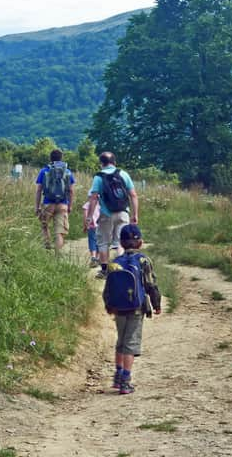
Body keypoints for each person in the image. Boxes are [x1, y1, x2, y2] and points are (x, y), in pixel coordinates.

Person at [105, 224, 161, 394]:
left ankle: (117, 375)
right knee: (130, 344)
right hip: (136, 308)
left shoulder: (114, 263)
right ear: (140, 243)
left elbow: (108, 288)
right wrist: (156, 305)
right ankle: (126, 381)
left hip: (118, 308)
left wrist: (109, 305)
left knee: (121, 341)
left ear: (121, 243)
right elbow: (151, 285)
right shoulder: (144, 261)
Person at [87, 151, 139, 279]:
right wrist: (135, 214)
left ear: (101, 163)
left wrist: (89, 216)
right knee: (121, 241)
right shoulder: (123, 174)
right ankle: (124, 267)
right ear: (114, 162)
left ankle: (105, 271)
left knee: (103, 241)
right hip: (123, 212)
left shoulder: (99, 177)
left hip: (106, 214)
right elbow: (133, 195)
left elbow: (94, 197)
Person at [34, 149, 75, 251]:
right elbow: (71, 190)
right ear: (61, 158)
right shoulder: (67, 171)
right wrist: (70, 206)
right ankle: (57, 257)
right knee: (59, 232)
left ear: (50, 158)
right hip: (63, 204)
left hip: (48, 203)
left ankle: (47, 247)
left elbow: (39, 190)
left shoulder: (44, 171)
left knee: (44, 226)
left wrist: (37, 206)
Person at [82, 192, 100, 266]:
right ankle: (98, 257)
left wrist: (85, 226)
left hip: (92, 226)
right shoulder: (101, 205)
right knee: (99, 242)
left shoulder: (87, 205)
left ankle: (93, 257)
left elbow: (85, 216)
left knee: (92, 241)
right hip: (101, 226)